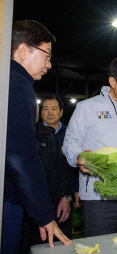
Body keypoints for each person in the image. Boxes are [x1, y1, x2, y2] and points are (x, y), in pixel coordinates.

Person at [3, 20, 71, 254]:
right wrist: (44, 214)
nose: (49, 64)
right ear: (23, 50)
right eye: (46, 54)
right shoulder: (18, 87)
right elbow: (21, 157)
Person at [62, 56, 117, 237]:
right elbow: (70, 142)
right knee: (100, 246)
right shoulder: (86, 107)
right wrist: (78, 157)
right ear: (113, 82)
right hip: (98, 197)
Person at [20, 95, 73, 253]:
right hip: (36, 202)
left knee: (62, 244)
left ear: (61, 112)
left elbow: (67, 170)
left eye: (54, 109)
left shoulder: (70, 134)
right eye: (45, 109)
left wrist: (68, 196)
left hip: (61, 200)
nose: (50, 113)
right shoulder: (31, 134)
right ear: (39, 112)